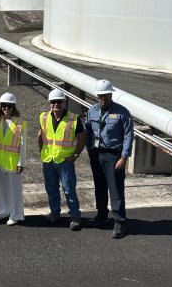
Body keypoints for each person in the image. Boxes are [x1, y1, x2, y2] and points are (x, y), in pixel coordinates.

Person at [85, 79, 134, 239]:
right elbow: (88, 132)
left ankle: (120, 221)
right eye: (100, 95)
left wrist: (124, 157)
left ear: (110, 94)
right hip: (97, 154)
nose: (102, 98)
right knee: (99, 186)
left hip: (114, 156)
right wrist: (90, 150)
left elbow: (128, 135)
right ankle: (102, 215)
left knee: (116, 189)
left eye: (105, 95)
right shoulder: (91, 111)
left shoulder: (122, 112)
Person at [38, 89, 86, 231]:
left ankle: (75, 217)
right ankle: (55, 213)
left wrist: (76, 155)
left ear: (64, 102)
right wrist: (42, 152)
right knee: (51, 189)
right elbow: (40, 135)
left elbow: (82, 138)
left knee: (69, 189)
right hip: (48, 160)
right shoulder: (44, 117)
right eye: (53, 102)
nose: (56, 104)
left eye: (59, 101)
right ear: (49, 103)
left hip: (66, 160)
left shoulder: (73, 118)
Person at [0, 93, 27, 225]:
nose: (6, 108)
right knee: (0, 187)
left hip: (12, 161)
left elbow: (23, 145)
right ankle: (4, 210)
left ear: (13, 107)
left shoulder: (20, 123)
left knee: (14, 190)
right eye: (3, 106)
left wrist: (21, 162)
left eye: (9, 106)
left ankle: (15, 214)